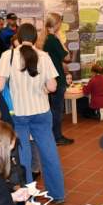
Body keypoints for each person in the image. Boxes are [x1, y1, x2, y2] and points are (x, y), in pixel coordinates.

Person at [0, 23, 66, 203]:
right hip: (42, 112)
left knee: (22, 156)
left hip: (18, 114)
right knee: (49, 153)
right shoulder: (44, 56)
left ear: (18, 37)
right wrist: (42, 89)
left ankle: (26, 197)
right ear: (35, 38)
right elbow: (52, 87)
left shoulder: (8, 56)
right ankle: (57, 194)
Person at [42, 13, 74, 146]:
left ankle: (55, 136)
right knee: (57, 110)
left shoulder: (47, 39)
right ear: (56, 24)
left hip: (51, 77)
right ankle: (57, 137)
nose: (60, 25)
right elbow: (67, 57)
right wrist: (61, 40)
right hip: (57, 78)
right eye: (60, 22)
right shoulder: (53, 40)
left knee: (54, 109)